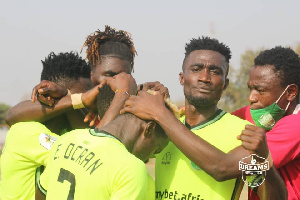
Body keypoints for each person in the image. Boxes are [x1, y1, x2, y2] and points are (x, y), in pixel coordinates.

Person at [121, 37, 287, 200]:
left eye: (215, 72)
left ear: (225, 84)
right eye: (196, 69)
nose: (205, 78)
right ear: (181, 78)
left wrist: (263, 162)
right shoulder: (160, 127)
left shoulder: (243, 133)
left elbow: (271, 196)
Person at [35, 88, 180, 200]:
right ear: (149, 129)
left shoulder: (67, 139)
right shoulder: (131, 168)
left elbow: (41, 192)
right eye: (157, 149)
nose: (151, 157)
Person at [0, 51, 93, 200]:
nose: (87, 108)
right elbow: (93, 152)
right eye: (82, 102)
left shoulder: (66, 133)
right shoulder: (26, 132)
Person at [5, 25, 138, 128]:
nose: (121, 81)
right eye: (110, 75)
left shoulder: (132, 110)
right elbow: (11, 116)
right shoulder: (80, 105)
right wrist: (72, 97)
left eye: (126, 76)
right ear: (91, 75)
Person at [231, 46, 300, 200]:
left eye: (260, 90)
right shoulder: (259, 114)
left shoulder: (297, 125)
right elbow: (219, 123)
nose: (251, 97)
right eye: (250, 89)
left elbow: (225, 166)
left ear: (290, 93)